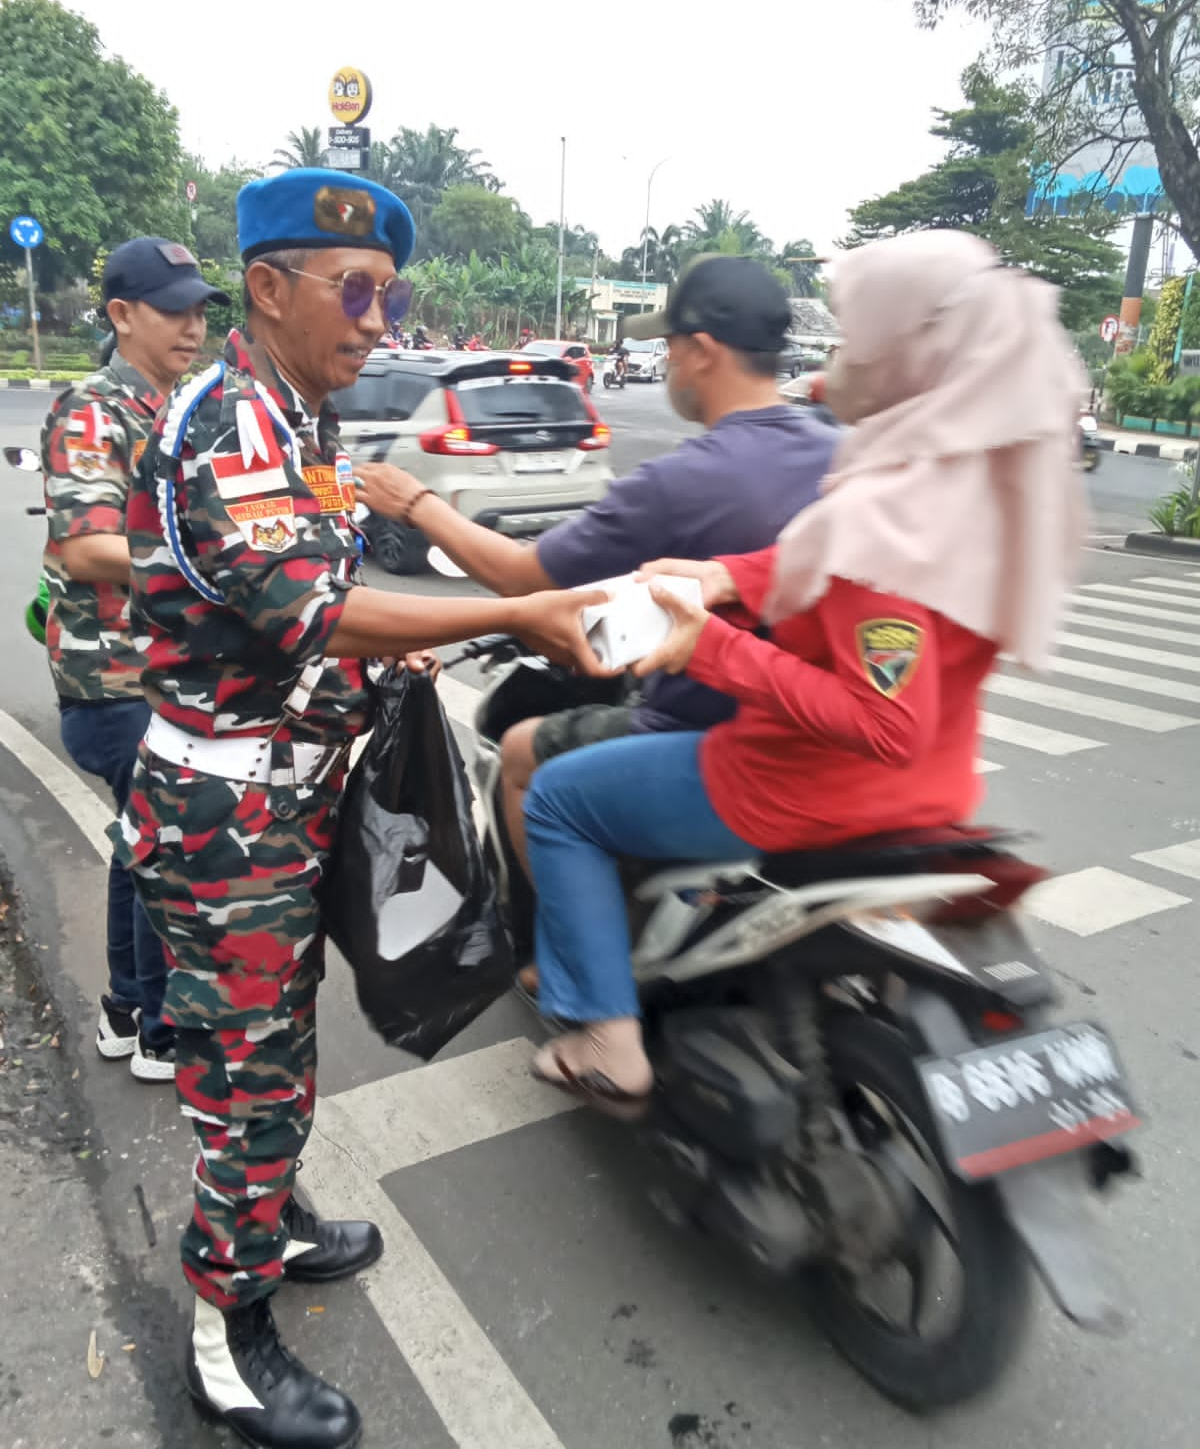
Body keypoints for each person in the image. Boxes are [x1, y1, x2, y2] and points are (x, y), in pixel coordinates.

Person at [110, 168, 607, 1449]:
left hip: (286, 806)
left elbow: (331, 597)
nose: (382, 321)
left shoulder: (298, 421)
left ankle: (266, 1219)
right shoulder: (228, 421)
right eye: (358, 292)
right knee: (246, 1081)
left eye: (390, 292)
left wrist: (404, 649)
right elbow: (315, 610)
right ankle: (229, 1332)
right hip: (227, 818)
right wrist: (514, 609)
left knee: (279, 1051)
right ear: (269, 290)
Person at [519, 230, 1084, 1109]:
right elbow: (819, 577)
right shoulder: (972, 488)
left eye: (862, 339)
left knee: (556, 799)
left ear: (909, 357)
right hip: (936, 799)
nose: (832, 362)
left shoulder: (885, 518)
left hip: (804, 788)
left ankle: (609, 1038)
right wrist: (719, 577)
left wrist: (710, 644)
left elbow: (882, 714)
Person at [356, 256, 841, 880]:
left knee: (523, 754)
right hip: (826, 746)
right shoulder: (847, 453)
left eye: (668, 347)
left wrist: (415, 503)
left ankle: (545, 961)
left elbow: (526, 579)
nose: (665, 362)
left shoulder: (682, 479)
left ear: (700, 350)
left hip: (710, 739)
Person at [41, 237, 230, 1082]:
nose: (194, 325)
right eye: (174, 308)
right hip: (115, 678)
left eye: (199, 309)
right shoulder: (92, 411)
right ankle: (159, 1026)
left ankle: (126, 1008)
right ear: (121, 315)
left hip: (158, 671)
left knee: (138, 844)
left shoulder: (182, 406)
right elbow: (85, 549)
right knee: (170, 847)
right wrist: (208, 561)